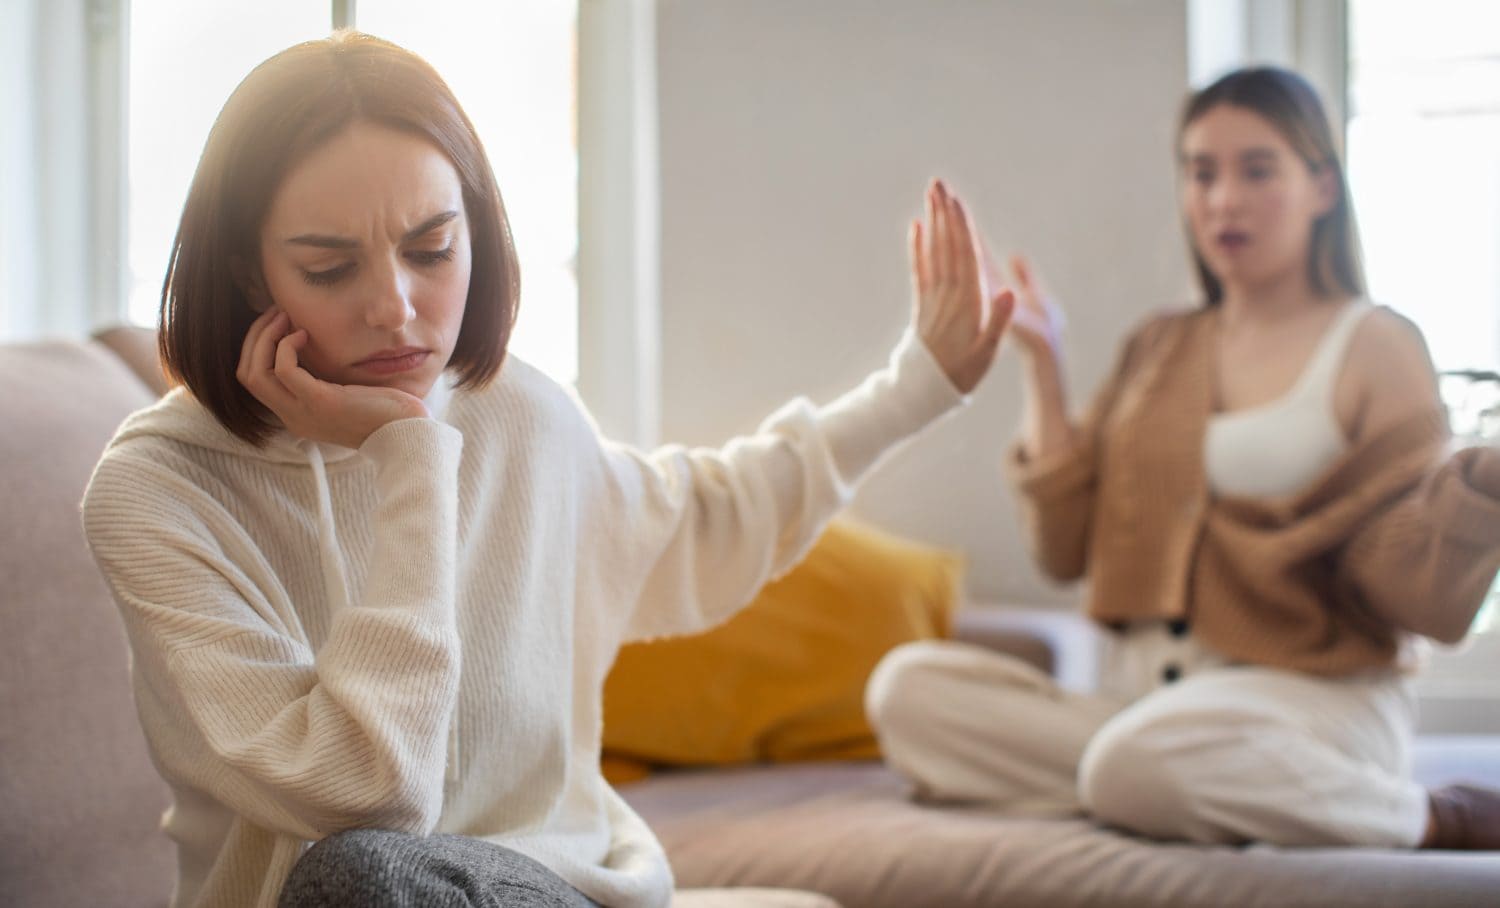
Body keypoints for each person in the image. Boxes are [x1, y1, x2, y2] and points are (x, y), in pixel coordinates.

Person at [81, 31, 1015, 908]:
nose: (397, 309)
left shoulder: (516, 413)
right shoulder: (159, 494)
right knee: (356, 876)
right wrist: (409, 460)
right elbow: (368, 793)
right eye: (329, 268)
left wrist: (915, 389)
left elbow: (707, 518)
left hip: (558, 888)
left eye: (431, 249)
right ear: (250, 275)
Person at [866, 65, 1500, 850]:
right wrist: (1044, 365)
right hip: (1143, 706)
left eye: (1256, 170)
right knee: (908, 691)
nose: (1222, 198)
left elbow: (1418, 588)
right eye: (1201, 172)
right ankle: (1161, 792)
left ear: (1324, 188)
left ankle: (1434, 817)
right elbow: (1062, 551)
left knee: (1140, 762)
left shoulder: (1377, 344)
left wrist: (1484, 482)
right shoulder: (1160, 344)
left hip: (1309, 698)